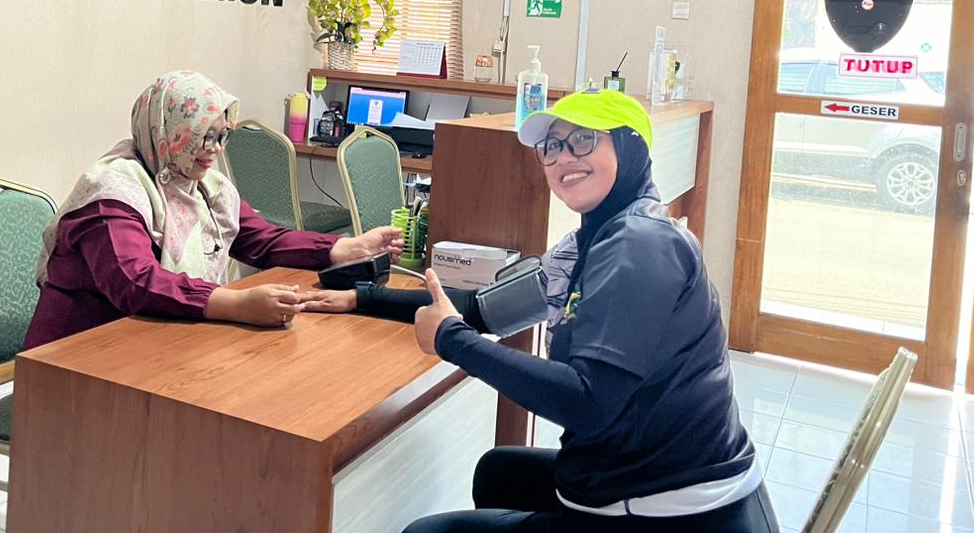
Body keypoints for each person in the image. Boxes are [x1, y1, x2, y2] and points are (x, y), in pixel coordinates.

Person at [306, 90, 778, 532]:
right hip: (638, 474)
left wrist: (451, 340)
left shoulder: (640, 244)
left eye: (583, 140)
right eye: (552, 146)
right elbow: (480, 310)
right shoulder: (585, 246)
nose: (564, 157)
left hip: (679, 511)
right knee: (500, 472)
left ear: (631, 147)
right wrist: (364, 298)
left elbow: (588, 403)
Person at [23, 70, 401, 349]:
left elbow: (261, 239)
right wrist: (235, 302)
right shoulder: (112, 192)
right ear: (167, 131)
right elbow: (135, 282)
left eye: (222, 136)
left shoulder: (202, 186)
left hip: (152, 342)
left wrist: (343, 249)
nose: (216, 149)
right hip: (76, 357)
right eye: (203, 136)